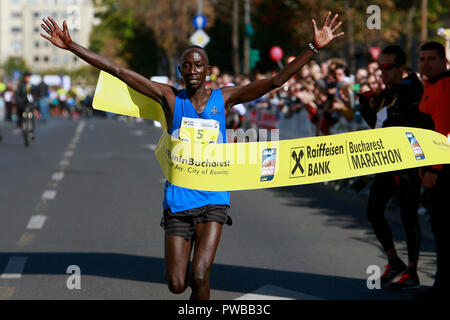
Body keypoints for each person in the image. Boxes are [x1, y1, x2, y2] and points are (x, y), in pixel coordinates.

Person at [40, 12, 344, 299]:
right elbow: (119, 71)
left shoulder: (224, 97)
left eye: (198, 65)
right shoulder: (169, 97)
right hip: (178, 201)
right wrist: (71, 47)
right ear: (180, 70)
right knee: (176, 284)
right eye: (187, 66)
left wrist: (312, 48)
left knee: (200, 274)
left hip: (214, 199)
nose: (193, 70)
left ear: (208, 70)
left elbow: (274, 82)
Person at [359, 45, 434, 290]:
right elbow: (377, 126)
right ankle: (394, 260)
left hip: (410, 162)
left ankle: (412, 270)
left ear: (401, 67)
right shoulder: (386, 93)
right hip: (387, 161)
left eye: (387, 67)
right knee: (373, 210)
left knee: (408, 216)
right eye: (380, 67)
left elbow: (419, 120)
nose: (382, 72)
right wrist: (364, 103)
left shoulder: (411, 87)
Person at [414, 41, 450, 300]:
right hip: (434, 167)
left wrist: (434, 171)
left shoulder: (446, 86)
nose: (426, 62)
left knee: (444, 230)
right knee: (439, 229)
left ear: (444, 62)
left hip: (444, 172)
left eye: (431, 58)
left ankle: (442, 288)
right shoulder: (430, 85)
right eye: (423, 58)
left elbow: (444, 133)